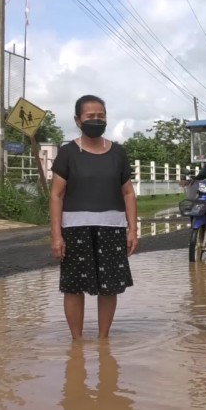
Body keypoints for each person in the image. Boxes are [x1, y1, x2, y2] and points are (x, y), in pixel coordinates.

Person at [50, 94, 138, 340]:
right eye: (90, 117)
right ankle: (76, 342)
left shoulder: (118, 153)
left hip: (112, 228)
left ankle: (103, 340)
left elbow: (129, 193)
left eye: (101, 116)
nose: (96, 120)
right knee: (74, 287)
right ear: (78, 120)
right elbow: (56, 196)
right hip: (75, 229)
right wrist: (56, 235)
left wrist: (133, 230)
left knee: (109, 288)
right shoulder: (68, 153)